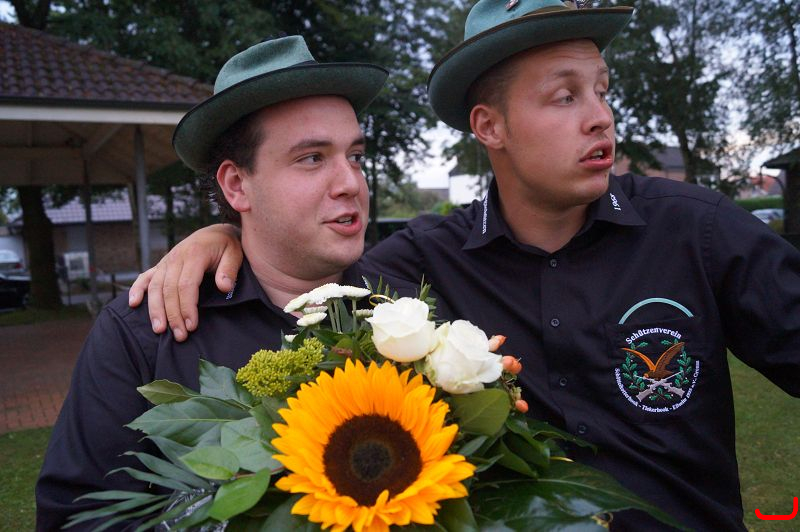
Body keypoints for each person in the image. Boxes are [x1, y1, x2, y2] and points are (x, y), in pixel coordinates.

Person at [131, 1, 800, 531]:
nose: (602, 117)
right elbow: (301, 255)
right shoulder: (418, 267)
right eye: (565, 97)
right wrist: (224, 233)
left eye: (602, 90)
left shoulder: (697, 230)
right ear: (489, 127)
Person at [35, 35, 390, 530]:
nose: (351, 182)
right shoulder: (144, 332)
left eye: (354, 156)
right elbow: (79, 516)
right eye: (312, 158)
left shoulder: (408, 309)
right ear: (237, 185)